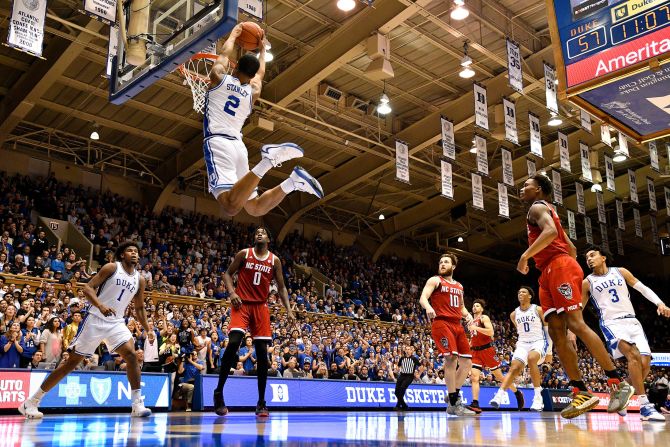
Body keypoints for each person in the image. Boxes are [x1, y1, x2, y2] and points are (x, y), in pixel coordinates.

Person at [517, 174, 633, 418]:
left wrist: (526, 256)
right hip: (549, 271)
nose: (522, 188)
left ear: (538, 189)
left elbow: (550, 233)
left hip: (559, 267)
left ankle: (618, 382)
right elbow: (570, 246)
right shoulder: (548, 210)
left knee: (576, 324)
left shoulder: (536, 208)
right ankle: (580, 390)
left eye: (526, 185)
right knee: (556, 331)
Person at [19, 241, 152, 418]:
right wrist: (100, 305)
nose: (134, 253)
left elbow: (140, 308)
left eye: (136, 251)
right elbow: (87, 287)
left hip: (116, 322)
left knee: (132, 355)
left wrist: (148, 328)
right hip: (95, 319)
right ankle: (31, 402)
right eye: (130, 250)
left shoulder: (139, 279)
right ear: (122, 255)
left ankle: (137, 404)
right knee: (71, 364)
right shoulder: (112, 268)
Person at [205, 24, 323, 217]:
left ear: (234, 67)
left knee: (230, 206)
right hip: (237, 146)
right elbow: (260, 74)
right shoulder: (253, 91)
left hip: (218, 142)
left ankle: (269, 161)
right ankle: (293, 182)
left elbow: (224, 55)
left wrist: (234, 34)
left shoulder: (218, 78)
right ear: (252, 76)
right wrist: (262, 49)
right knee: (255, 208)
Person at [213, 227, 295, 417]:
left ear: (268, 238)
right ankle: (218, 392)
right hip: (241, 303)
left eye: (263, 232)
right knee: (233, 343)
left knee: (261, 353)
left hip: (261, 306)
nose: (259, 233)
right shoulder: (244, 254)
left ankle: (261, 402)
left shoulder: (274, 260)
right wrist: (232, 293)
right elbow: (227, 274)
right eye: (257, 232)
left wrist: (289, 310)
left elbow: (281, 287)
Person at [584, 249, 670, 421]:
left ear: (603, 257)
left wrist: (660, 303)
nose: (589, 259)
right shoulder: (587, 282)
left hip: (632, 321)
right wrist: (572, 330)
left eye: (592, 256)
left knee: (645, 364)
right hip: (611, 323)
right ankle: (645, 406)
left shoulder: (620, 271)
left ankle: (621, 395)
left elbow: (642, 288)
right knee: (633, 355)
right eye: (586, 258)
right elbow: (579, 307)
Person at [419, 253, 476, 416]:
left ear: (453, 267)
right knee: (451, 359)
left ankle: (452, 395)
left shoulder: (459, 286)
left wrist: (468, 315)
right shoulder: (435, 280)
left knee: (467, 363)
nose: (442, 264)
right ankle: (453, 403)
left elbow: (461, 307)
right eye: (441, 262)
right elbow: (423, 297)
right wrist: (428, 307)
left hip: (457, 325)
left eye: (446, 262)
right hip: (442, 323)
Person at [490, 286, 551, 412]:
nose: (520, 294)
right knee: (514, 368)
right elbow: (520, 331)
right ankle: (499, 395)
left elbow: (547, 329)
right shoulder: (514, 314)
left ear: (530, 296)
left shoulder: (538, 309)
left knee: (531, 358)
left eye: (523, 292)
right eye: (519, 292)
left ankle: (538, 398)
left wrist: (549, 351)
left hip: (538, 341)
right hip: (523, 343)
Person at [468, 299, 524, 412]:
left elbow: (490, 332)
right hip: (475, 352)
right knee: (474, 378)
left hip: (487, 350)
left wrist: (476, 328)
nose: (474, 307)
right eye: (473, 306)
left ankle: (517, 392)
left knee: (500, 378)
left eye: (477, 306)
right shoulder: (471, 322)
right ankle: (475, 403)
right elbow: (474, 337)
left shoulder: (483, 318)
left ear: (481, 309)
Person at [395, 344, 419, 410]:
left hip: (409, 376)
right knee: (396, 392)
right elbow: (398, 365)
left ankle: (398, 405)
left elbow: (421, 366)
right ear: (405, 350)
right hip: (402, 375)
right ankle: (404, 405)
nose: (408, 351)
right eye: (406, 349)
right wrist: (397, 369)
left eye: (409, 349)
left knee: (402, 389)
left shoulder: (414, 358)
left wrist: (418, 374)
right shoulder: (402, 358)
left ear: (411, 351)